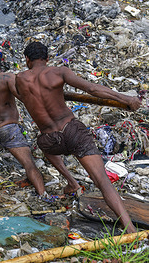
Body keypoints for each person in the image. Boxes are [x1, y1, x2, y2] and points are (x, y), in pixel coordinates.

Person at [15, 41, 141, 233]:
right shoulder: (59, 72)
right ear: (47, 59)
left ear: (26, 60)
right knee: (101, 180)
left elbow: (31, 98)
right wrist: (127, 99)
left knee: (42, 144)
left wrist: (57, 94)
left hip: (50, 140)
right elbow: (92, 89)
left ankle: (71, 182)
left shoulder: (20, 79)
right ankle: (129, 228)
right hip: (72, 132)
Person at [0, 46, 46, 196]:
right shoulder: (7, 77)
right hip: (9, 130)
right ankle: (43, 195)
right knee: (29, 164)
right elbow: (23, 97)